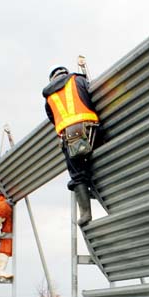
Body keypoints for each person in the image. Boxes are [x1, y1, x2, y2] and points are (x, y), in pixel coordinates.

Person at [42, 66, 100, 226]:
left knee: (77, 174)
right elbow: (93, 98)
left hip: (71, 138)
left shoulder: (49, 97)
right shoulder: (79, 80)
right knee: (95, 161)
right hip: (93, 130)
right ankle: (93, 189)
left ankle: (85, 213)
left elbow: (53, 120)